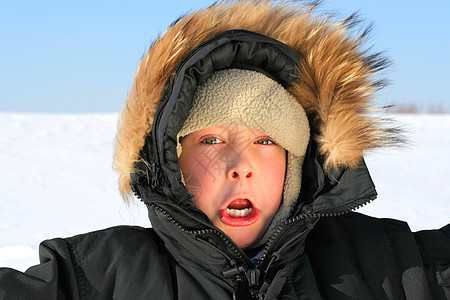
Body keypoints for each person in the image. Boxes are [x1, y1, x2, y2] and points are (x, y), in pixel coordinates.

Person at [1, 1, 449, 299]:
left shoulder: (385, 264)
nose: (241, 167)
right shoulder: (101, 277)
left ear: (295, 166)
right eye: (211, 141)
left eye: (266, 141)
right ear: (170, 162)